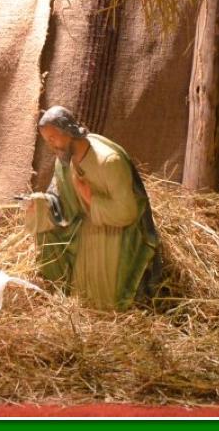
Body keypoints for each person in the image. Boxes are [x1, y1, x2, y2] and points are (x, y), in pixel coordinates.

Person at [23, 105, 161, 311]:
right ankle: (62, 293)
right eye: (47, 141)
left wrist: (92, 200)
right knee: (45, 230)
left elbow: (128, 212)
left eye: (52, 138)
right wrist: (39, 203)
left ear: (67, 131)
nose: (51, 146)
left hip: (119, 233)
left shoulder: (108, 161)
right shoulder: (64, 161)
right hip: (84, 227)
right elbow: (59, 198)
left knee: (106, 303)